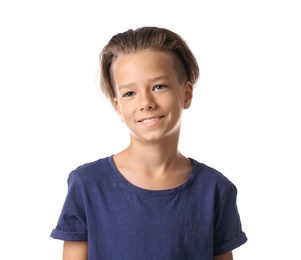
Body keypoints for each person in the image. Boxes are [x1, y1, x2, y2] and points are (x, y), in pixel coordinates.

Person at [50, 26, 247, 260]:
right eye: (129, 93)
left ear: (186, 94)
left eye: (158, 87)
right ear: (117, 106)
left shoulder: (215, 189)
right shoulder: (87, 185)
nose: (146, 102)